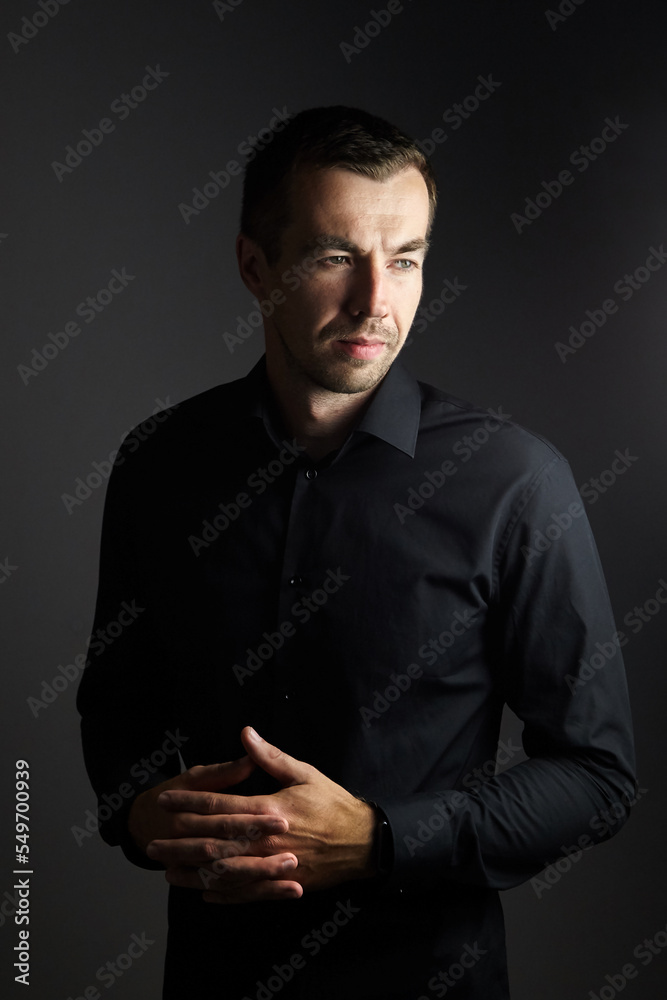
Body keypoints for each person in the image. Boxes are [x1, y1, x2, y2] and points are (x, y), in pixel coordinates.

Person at [77, 105, 636, 999]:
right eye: (336, 256)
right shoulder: (160, 466)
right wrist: (140, 814)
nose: (377, 299)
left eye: (406, 259)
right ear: (255, 267)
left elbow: (598, 776)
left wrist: (382, 839)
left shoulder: (515, 482)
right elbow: (116, 711)